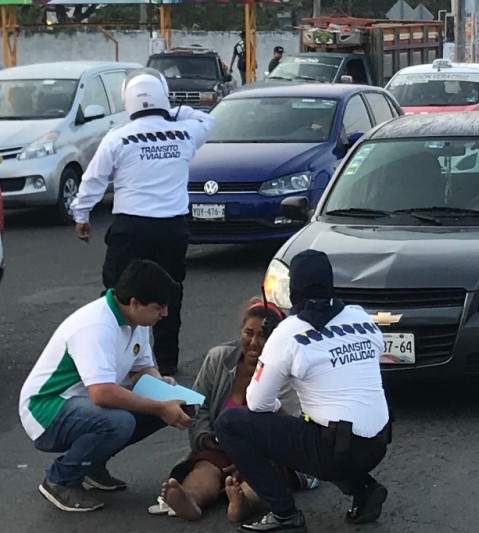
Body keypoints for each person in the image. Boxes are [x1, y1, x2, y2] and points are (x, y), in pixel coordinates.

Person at [215, 250, 391, 532]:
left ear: (292, 289)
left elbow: (257, 403)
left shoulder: (288, 331)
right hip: (378, 443)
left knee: (230, 424)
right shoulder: (362, 317)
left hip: (335, 450)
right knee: (317, 424)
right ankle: (364, 489)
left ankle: (285, 515)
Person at [69, 68, 216, 377]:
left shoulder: (117, 138)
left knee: (116, 294)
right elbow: (209, 119)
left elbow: (93, 179)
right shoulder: (186, 132)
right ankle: (167, 365)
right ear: (163, 95)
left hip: (130, 228)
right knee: (168, 295)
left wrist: (81, 215)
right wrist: (175, 109)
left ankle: (107, 360)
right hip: (171, 229)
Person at [18, 259, 191, 513]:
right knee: (120, 422)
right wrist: (159, 406)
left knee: (178, 402)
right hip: (46, 409)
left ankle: (90, 463)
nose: (164, 314)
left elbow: (141, 370)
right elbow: (102, 394)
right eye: (159, 307)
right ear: (134, 302)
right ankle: (60, 478)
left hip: (83, 404)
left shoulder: (137, 321)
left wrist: (164, 390)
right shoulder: (97, 325)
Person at [148, 298, 320, 522]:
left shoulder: (289, 371)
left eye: (263, 336)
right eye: (249, 333)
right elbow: (200, 407)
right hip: (221, 446)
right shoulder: (219, 358)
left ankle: (244, 503)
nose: (254, 342)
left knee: (260, 476)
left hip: (270, 452)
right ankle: (190, 499)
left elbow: (291, 429)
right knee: (205, 466)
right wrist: (205, 438)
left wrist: (246, 458)